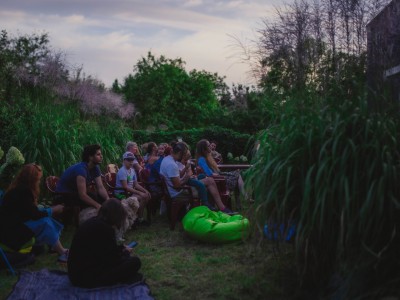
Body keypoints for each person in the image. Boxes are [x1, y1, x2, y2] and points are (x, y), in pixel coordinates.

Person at [0, 164, 68, 262]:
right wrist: (53, 210)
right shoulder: (23, 192)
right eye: (38, 179)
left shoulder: (18, 189)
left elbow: (28, 212)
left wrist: (49, 210)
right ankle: (62, 252)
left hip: (14, 225)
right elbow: (34, 215)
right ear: (32, 180)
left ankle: (54, 246)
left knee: (46, 217)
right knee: (45, 222)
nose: (39, 182)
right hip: (11, 232)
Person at [67, 199, 142, 288]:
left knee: (127, 260)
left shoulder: (93, 222)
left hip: (75, 274)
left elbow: (102, 249)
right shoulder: (105, 229)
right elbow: (112, 260)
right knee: (135, 262)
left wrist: (121, 248)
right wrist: (125, 253)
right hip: (86, 278)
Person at [160, 142, 232, 214]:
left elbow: (178, 176)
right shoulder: (172, 165)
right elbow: (177, 186)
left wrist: (188, 175)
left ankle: (213, 207)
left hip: (175, 190)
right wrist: (188, 176)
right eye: (184, 154)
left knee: (206, 180)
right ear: (179, 153)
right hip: (179, 193)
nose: (184, 156)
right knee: (210, 181)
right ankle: (214, 207)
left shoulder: (166, 159)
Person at [196, 139, 251, 209]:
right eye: (209, 145)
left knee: (237, 174)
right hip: (218, 181)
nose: (211, 147)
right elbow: (209, 174)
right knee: (237, 175)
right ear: (203, 149)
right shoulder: (202, 159)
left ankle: (242, 200)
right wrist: (219, 175)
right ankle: (245, 197)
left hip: (218, 178)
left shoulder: (207, 157)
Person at [55, 144, 109, 210]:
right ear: (90, 157)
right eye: (98, 154)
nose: (101, 156)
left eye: (101, 154)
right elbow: (82, 195)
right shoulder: (81, 170)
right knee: (94, 199)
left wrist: (108, 200)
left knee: (100, 198)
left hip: (74, 193)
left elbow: (100, 187)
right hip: (63, 194)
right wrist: (97, 205)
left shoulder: (96, 168)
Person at [115, 152, 151, 226]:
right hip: (121, 194)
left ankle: (136, 218)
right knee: (143, 197)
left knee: (146, 195)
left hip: (129, 192)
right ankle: (138, 219)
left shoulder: (132, 170)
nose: (131, 162)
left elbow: (136, 184)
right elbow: (125, 187)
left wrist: (145, 191)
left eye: (132, 160)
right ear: (124, 160)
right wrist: (140, 193)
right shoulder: (122, 171)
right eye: (129, 160)